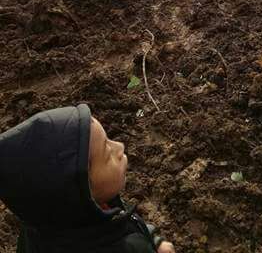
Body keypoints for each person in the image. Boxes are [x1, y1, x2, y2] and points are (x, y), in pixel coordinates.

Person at [0, 104, 175, 253]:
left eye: (109, 140)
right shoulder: (126, 247)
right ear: (81, 192)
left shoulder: (42, 222)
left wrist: (153, 239)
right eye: (107, 155)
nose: (120, 147)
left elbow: (124, 223)